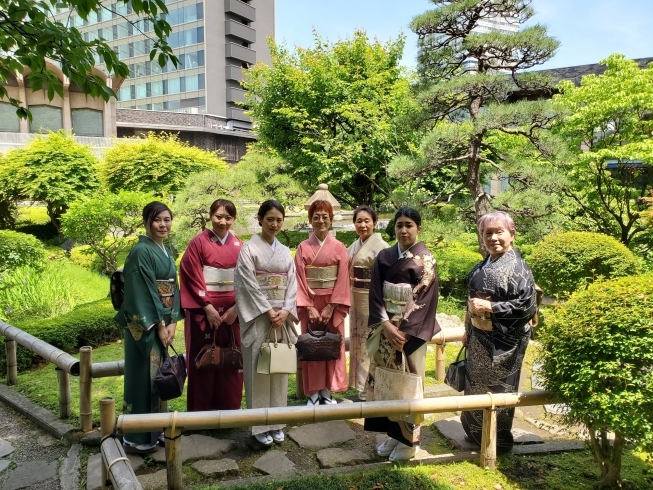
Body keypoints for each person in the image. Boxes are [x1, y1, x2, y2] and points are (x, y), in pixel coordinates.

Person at [364, 206, 440, 462]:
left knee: (409, 385)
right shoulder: (384, 255)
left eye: (409, 225)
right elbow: (375, 292)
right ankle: (394, 435)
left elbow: (424, 300)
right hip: (387, 329)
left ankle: (409, 441)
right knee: (386, 382)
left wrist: (403, 332)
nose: (403, 230)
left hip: (410, 334)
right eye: (399, 225)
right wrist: (385, 325)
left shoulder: (426, 259)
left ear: (418, 228)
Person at [461, 211, 537, 454]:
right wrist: (468, 329)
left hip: (506, 341)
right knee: (474, 386)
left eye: (499, 232)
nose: (493, 238)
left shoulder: (519, 268)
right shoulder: (482, 265)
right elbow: (470, 301)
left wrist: (492, 307)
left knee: (500, 389)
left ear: (512, 235)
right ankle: (475, 434)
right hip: (479, 338)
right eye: (487, 233)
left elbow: (527, 306)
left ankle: (498, 440)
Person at [116, 201, 183, 454]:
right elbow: (140, 291)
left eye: (167, 219)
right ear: (146, 222)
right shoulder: (140, 252)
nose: (163, 225)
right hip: (144, 326)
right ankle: (137, 438)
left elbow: (173, 287)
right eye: (157, 220)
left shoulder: (166, 249)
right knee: (143, 378)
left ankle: (155, 432)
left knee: (160, 378)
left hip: (163, 323)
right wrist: (159, 325)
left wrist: (174, 321)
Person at [234, 200, 298, 447]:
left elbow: (292, 283)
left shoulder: (284, 251)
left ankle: (278, 421)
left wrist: (285, 310)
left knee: (278, 367)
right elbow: (246, 284)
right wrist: (268, 310)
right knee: (259, 368)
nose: (274, 224)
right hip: (260, 318)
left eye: (279, 220)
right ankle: (260, 424)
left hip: (280, 317)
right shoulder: (248, 249)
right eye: (269, 219)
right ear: (259, 220)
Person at [179, 199, 244, 412]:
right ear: (210, 216)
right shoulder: (198, 243)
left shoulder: (240, 246)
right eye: (218, 216)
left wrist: (237, 308)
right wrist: (207, 307)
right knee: (203, 360)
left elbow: (247, 280)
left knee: (230, 360)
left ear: (234, 219)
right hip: (204, 312)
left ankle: (228, 410)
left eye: (228, 217)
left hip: (232, 313)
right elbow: (190, 275)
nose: (223, 222)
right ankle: (201, 414)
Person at [295, 200, 351, 406]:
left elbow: (344, 276)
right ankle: (312, 393)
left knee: (332, 345)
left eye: (324, 216)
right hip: (310, 301)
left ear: (331, 220)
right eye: (316, 216)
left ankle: (327, 392)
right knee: (312, 345)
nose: (320, 220)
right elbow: (299, 278)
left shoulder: (339, 247)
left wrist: (331, 306)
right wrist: (308, 306)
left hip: (333, 301)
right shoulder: (303, 247)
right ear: (310, 220)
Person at [346, 205, 389, 401]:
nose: (362, 225)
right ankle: (361, 385)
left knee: (371, 342)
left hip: (373, 299)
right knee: (358, 341)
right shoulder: (354, 246)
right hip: (355, 297)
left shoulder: (382, 247)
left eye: (366, 221)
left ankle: (372, 387)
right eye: (358, 221)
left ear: (374, 223)